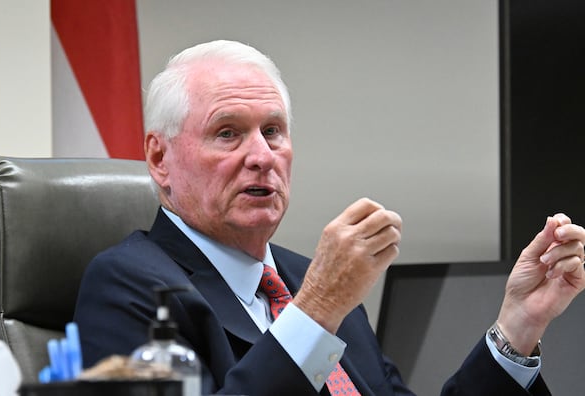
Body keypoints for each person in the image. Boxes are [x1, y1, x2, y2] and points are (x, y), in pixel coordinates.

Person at [73, 40, 585, 395]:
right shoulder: (129, 283)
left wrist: (518, 327)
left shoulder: (307, 280)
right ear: (160, 159)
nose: (261, 156)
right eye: (227, 132)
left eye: (273, 131)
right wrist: (316, 309)